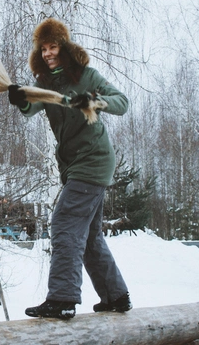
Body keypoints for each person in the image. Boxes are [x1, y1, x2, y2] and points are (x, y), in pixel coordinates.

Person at [8, 17, 131, 320]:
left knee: (64, 223)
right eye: (44, 48)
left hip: (93, 160)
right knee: (89, 236)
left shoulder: (87, 76)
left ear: (64, 48)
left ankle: (62, 297)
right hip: (76, 165)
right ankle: (116, 296)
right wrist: (20, 98)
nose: (48, 53)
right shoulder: (45, 83)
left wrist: (92, 100)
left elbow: (122, 102)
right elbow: (32, 107)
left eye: (53, 47)